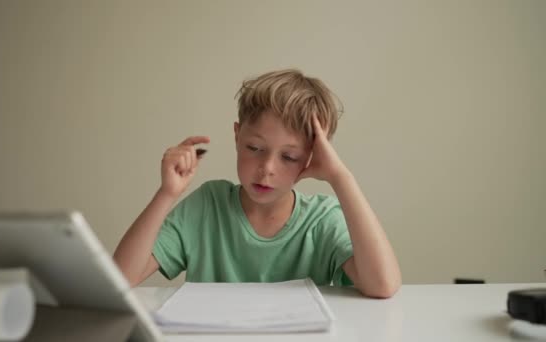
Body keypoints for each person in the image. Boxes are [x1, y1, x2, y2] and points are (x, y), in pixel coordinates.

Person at [114, 69, 401, 298]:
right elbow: (121, 278)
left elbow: (383, 285)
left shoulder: (321, 220)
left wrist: (341, 177)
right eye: (254, 148)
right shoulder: (207, 205)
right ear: (237, 136)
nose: (267, 169)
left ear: (312, 158)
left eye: (289, 156)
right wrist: (166, 194)